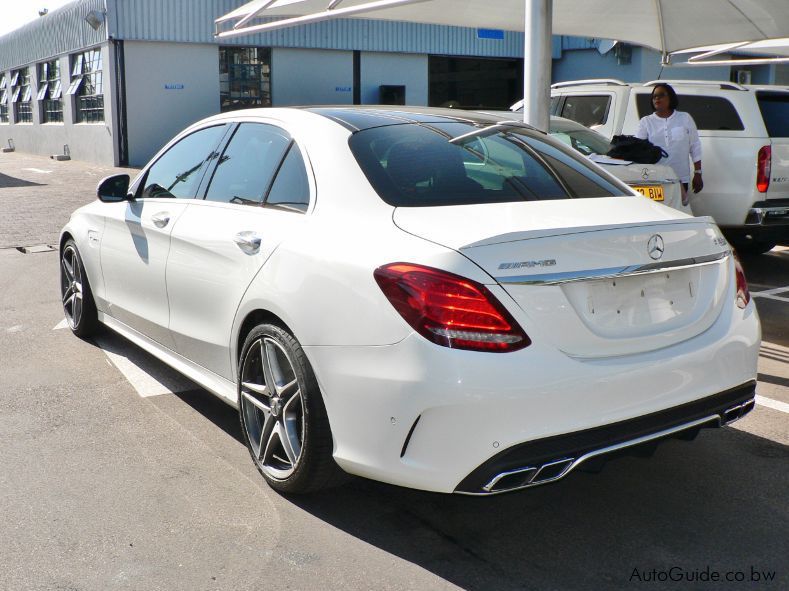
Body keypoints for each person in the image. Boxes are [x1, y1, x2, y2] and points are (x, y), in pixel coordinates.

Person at [636, 83, 702, 206]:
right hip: (655, 179)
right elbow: (639, 151)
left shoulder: (685, 118)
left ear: (670, 98)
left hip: (681, 178)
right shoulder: (646, 122)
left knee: (679, 211)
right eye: (654, 96)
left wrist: (698, 173)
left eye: (661, 95)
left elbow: (695, 146)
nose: (657, 98)